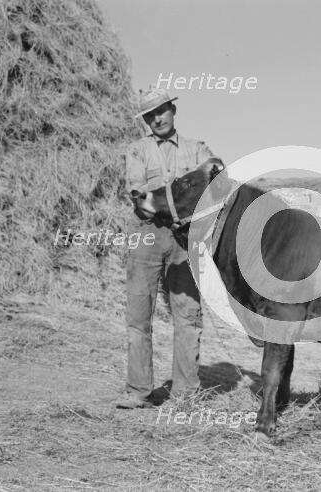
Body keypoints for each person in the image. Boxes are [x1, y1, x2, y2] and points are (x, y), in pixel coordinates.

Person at [115, 88, 219, 408]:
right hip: (146, 235)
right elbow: (139, 194)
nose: (156, 118)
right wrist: (181, 200)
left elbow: (216, 176)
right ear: (145, 120)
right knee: (139, 316)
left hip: (185, 240)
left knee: (188, 315)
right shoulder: (136, 151)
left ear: (173, 110)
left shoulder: (197, 148)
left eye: (161, 110)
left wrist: (189, 211)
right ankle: (139, 391)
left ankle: (185, 394)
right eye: (149, 115)